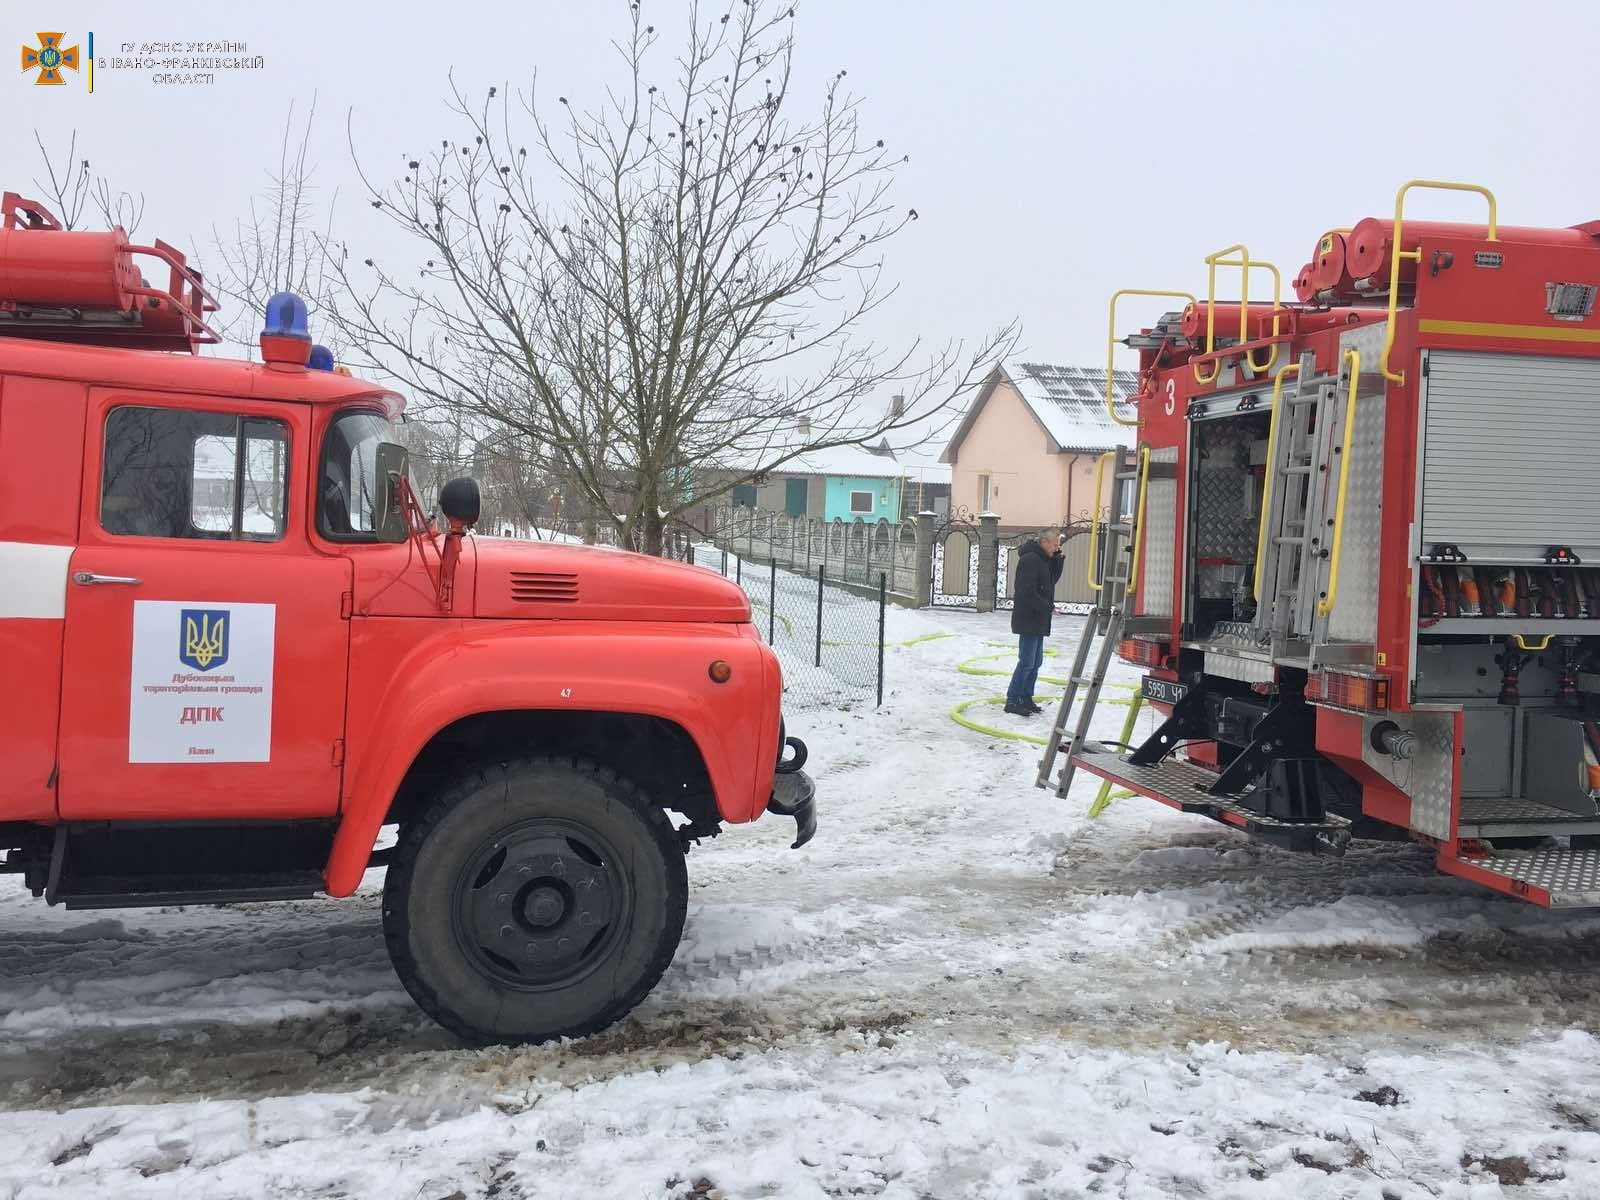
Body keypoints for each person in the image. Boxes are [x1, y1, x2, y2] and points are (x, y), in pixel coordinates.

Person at [1006, 529, 1065, 716]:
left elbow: (1050, 581)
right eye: (1055, 545)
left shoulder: (1043, 559)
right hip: (1028, 617)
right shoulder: (1030, 559)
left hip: (1038, 618)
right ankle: (1013, 700)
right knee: (1027, 662)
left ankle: (1026, 697)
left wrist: (1057, 560)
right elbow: (1026, 591)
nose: (1057, 547)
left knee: (1036, 661)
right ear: (1045, 542)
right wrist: (1047, 608)